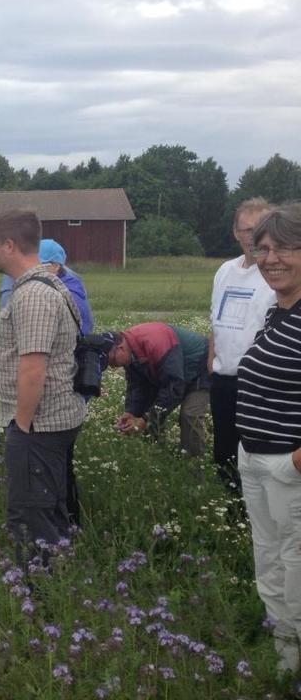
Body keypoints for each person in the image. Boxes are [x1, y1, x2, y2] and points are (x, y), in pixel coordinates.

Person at [0, 210, 85, 567]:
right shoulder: (49, 284)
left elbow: (33, 368)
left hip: (39, 425)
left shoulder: (32, 295)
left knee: (31, 515)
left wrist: (22, 426)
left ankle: (39, 597)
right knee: (51, 507)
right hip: (50, 421)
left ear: (10, 245)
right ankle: (58, 574)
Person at [235, 203, 301, 677]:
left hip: (287, 466)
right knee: (270, 565)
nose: (271, 257)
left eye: (284, 247)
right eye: (263, 248)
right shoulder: (278, 313)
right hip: (256, 459)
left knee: (295, 570)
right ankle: (284, 658)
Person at [209, 199, 275, 495]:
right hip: (223, 380)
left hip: (259, 383)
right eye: (246, 230)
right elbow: (215, 320)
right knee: (224, 453)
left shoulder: (273, 273)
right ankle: (233, 516)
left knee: (258, 457)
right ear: (235, 232)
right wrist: (212, 363)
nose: (252, 237)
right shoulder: (225, 271)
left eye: (258, 229)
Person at [105, 323, 210, 457]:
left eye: (112, 362)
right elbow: (137, 384)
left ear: (120, 348)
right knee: (149, 411)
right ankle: (156, 458)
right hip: (175, 372)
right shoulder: (130, 348)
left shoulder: (155, 342)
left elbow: (174, 388)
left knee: (189, 414)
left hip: (200, 368)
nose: (113, 367)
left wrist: (145, 420)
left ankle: (194, 464)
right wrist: (131, 412)